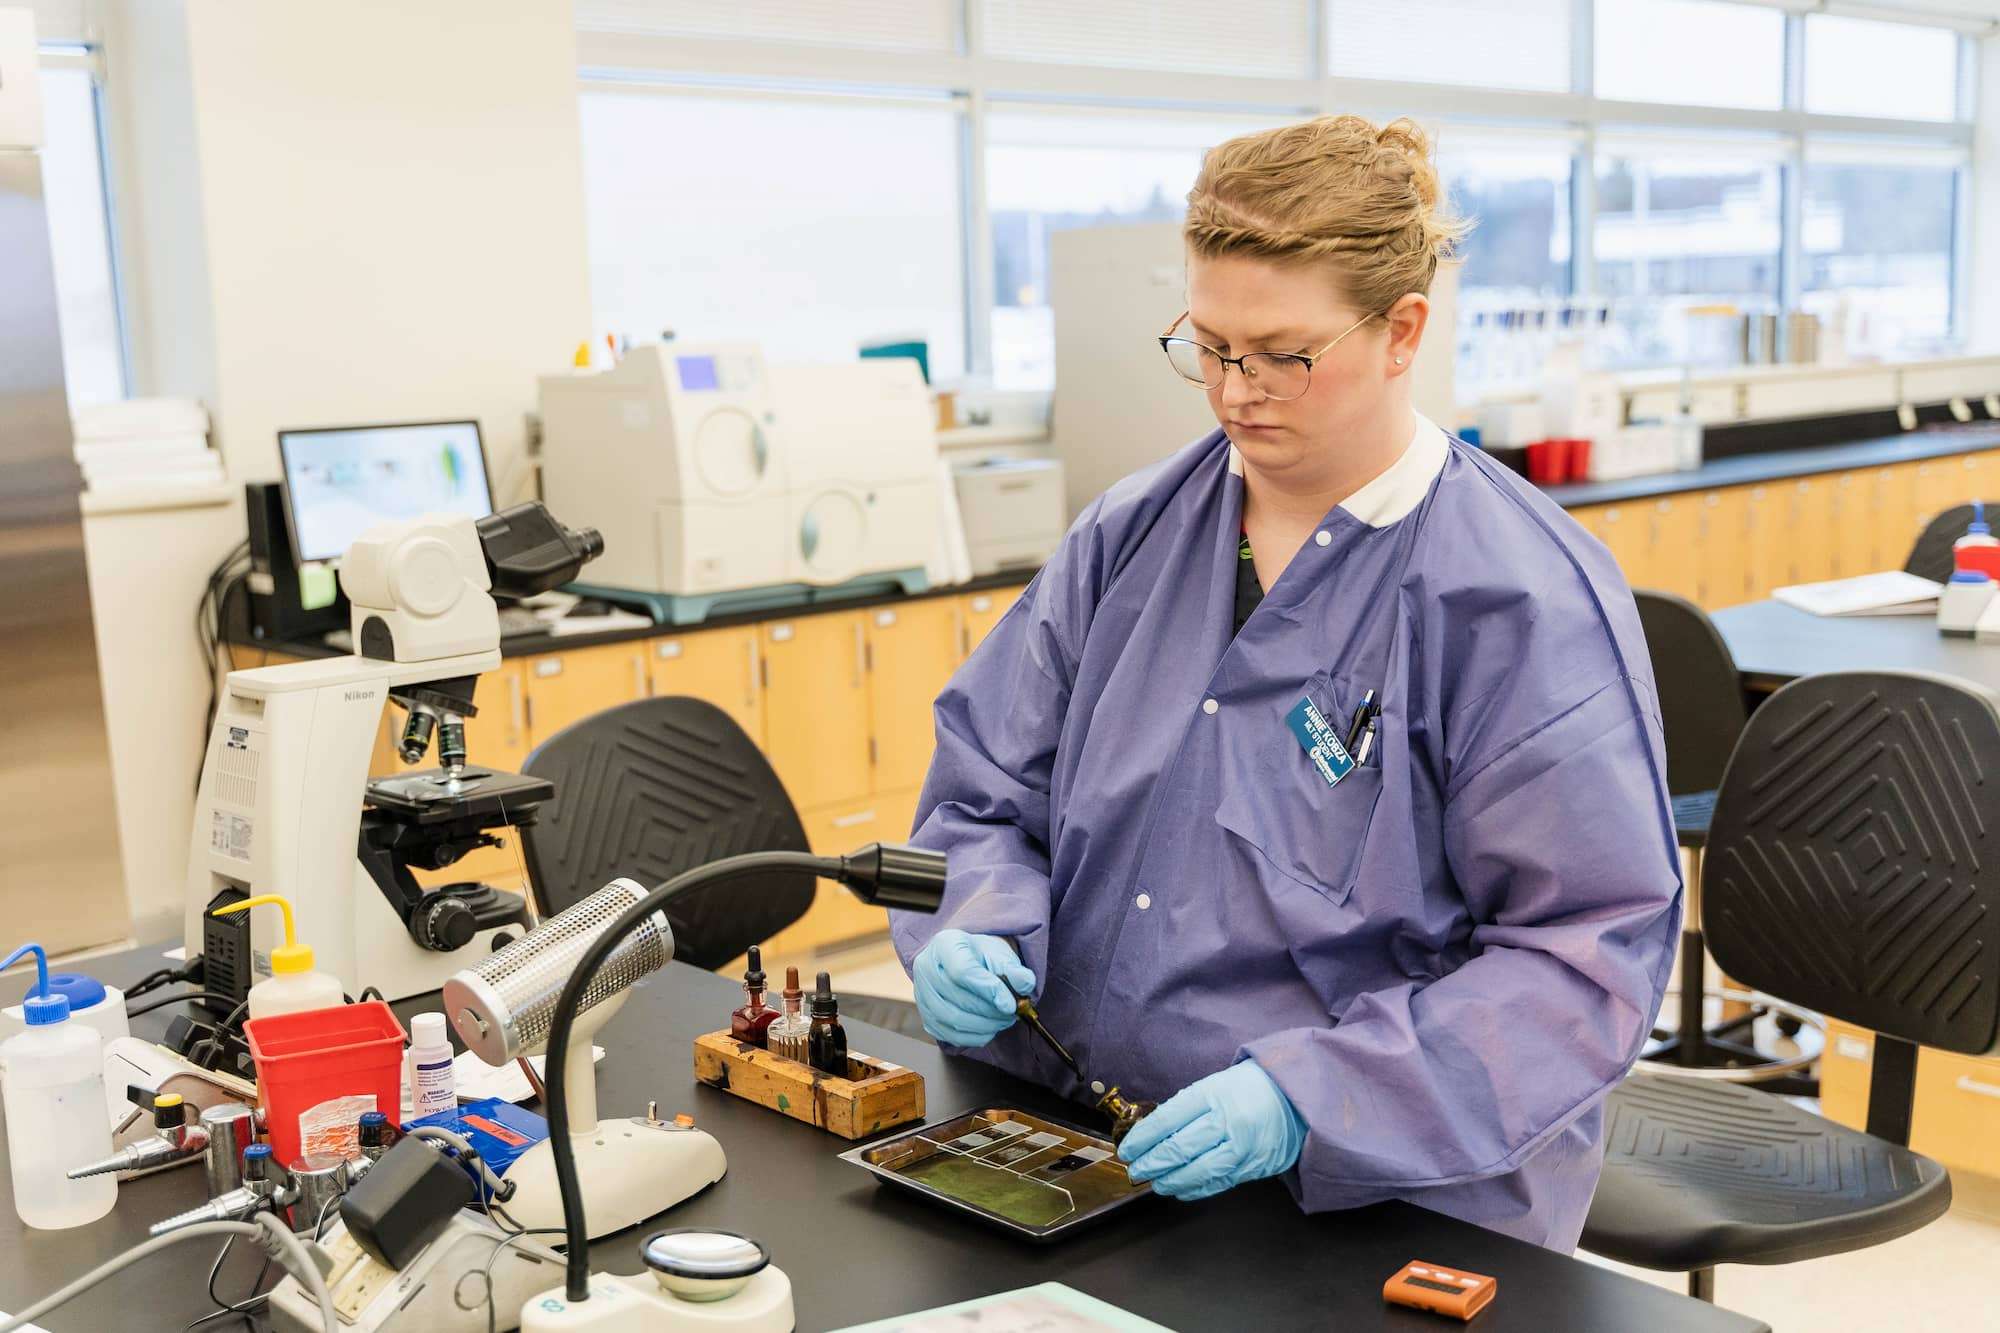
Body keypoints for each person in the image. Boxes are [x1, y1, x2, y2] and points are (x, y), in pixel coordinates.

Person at [889, 114, 1681, 1251]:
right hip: (1077, 1144)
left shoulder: (1514, 600)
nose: (1233, 391)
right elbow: (981, 797)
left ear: (1402, 330)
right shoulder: (1130, 534)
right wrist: (975, 918)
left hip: (1379, 1196)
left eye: (1282, 354)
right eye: (1207, 346)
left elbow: (1580, 957)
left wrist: (1310, 1096)